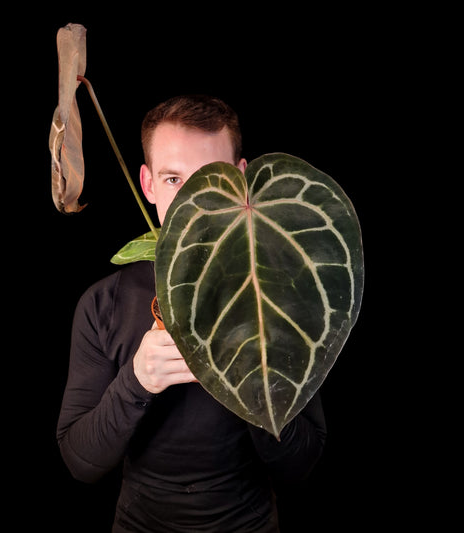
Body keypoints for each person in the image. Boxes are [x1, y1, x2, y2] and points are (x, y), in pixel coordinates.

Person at [57, 94, 327, 532]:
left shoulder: (278, 295)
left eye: (210, 180)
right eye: (172, 180)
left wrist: (253, 384)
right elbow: (80, 462)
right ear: (146, 184)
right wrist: (137, 379)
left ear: (241, 179)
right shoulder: (102, 304)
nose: (192, 204)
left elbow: (302, 466)